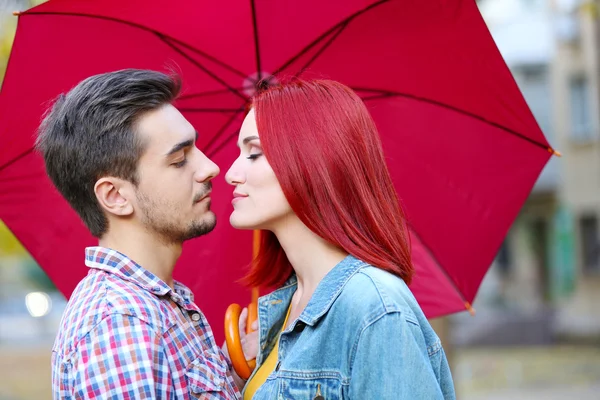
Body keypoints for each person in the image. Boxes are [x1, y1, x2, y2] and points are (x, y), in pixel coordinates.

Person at [226, 79, 456, 399]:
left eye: (254, 153)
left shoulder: (374, 308)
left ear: (309, 159)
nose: (231, 173)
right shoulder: (278, 312)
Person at [37, 69, 241, 399]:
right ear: (115, 196)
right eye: (179, 160)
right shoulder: (122, 328)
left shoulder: (157, 304)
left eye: (196, 149)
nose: (209, 168)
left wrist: (235, 373)